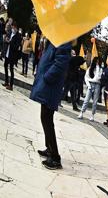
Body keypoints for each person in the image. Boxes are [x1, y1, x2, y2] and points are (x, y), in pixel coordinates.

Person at [30, 41, 72, 170]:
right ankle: (49, 148)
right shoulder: (55, 38)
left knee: (47, 119)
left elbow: (61, 63)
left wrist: (47, 77)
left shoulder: (64, 40)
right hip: (48, 85)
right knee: (45, 118)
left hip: (51, 86)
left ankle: (55, 157)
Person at [78, 57, 103, 121]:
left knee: (95, 101)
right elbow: (86, 78)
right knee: (86, 100)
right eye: (96, 61)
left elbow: (98, 78)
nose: (97, 63)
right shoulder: (90, 69)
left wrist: (98, 68)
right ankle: (82, 112)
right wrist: (89, 85)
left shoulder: (100, 69)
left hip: (97, 84)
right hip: (90, 84)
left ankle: (92, 115)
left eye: (98, 61)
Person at [3, 21, 21, 91]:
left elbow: (16, 47)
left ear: (16, 28)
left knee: (11, 69)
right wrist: (6, 40)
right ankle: (6, 82)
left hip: (13, 55)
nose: (13, 28)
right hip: (7, 53)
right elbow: (7, 41)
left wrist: (10, 42)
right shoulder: (10, 33)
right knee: (5, 66)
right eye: (12, 27)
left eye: (14, 27)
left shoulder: (18, 36)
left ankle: (11, 85)